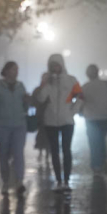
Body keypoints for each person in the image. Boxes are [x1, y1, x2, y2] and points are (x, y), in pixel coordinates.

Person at [33, 54, 82, 191]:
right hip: (50, 122)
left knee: (66, 150)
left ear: (62, 65)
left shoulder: (71, 80)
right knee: (54, 151)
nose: (55, 68)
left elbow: (80, 97)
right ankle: (58, 181)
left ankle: (66, 180)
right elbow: (41, 98)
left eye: (57, 65)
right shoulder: (48, 82)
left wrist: (72, 111)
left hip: (67, 121)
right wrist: (45, 84)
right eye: (52, 65)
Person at [0, 61, 29, 195]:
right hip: (2, 127)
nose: (16, 72)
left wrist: (27, 102)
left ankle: (19, 181)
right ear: (7, 71)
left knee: (18, 154)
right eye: (14, 69)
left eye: (17, 69)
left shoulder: (21, 86)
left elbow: (25, 107)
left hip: (19, 126)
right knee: (3, 155)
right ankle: (5, 182)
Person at [81, 64, 107, 172]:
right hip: (105, 117)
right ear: (98, 73)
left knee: (94, 141)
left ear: (87, 74)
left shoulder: (85, 87)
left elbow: (80, 101)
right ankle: (102, 160)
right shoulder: (106, 84)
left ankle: (96, 164)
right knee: (101, 139)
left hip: (91, 118)